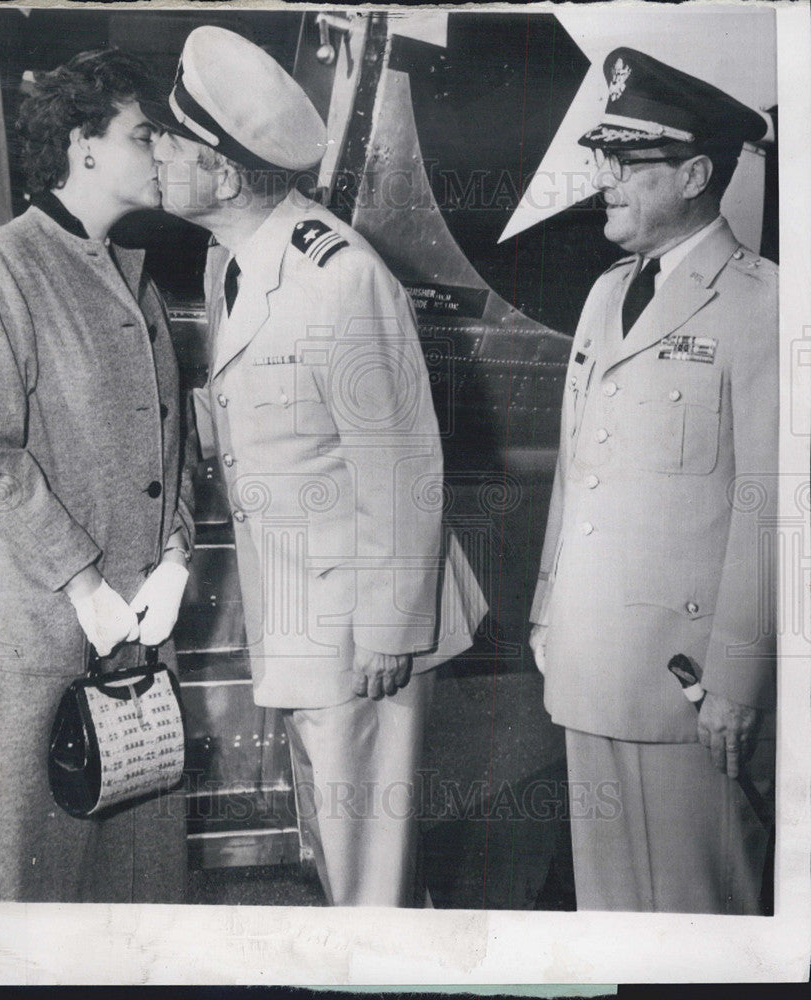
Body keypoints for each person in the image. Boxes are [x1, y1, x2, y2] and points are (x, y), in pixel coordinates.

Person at [146, 26, 486, 907]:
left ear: (223, 176)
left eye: (170, 144)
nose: (155, 154)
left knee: (366, 862)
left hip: (358, 627)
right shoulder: (239, 256)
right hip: (302, 610)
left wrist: (386, 628)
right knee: (333, 848)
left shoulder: (337, 278)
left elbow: (405, 461)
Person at [529, 48, 777, 914]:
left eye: (629, 165)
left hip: (689, 689)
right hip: (589, 659)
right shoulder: (605, 295)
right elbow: (579, 468)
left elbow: (772, 513)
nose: (607, 182)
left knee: (700, 913)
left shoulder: (767, 307)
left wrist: (739, 685)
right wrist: (546, 609)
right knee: (609, 912)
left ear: (697, 174)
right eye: (607, 162)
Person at [0, 49, 194, 902]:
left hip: (130, 638)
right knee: (22, 882)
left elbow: (176, 439)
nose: (165, 153)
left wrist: (177, 554)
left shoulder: (135, 274)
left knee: (132, 892)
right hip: (33, 634)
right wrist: (82, 580)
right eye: (145, 135)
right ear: (82, 144)